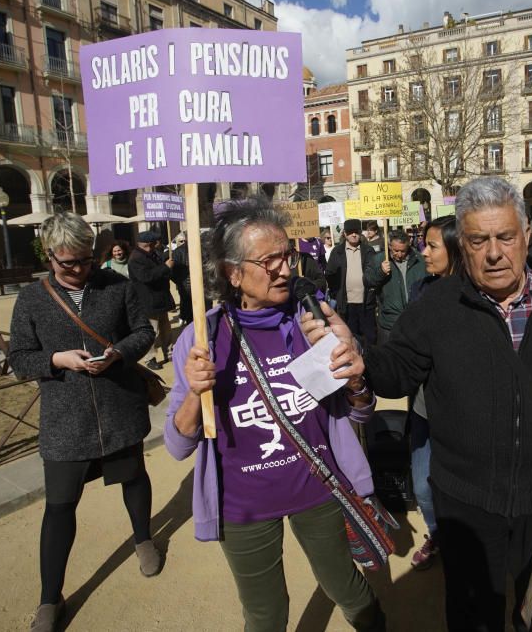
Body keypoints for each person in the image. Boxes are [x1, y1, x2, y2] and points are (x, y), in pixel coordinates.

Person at [317, 178, 532, 631]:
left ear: (526, 235)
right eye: (478, 240)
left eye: (505, 237)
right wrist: (360, 357)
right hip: (467, 506)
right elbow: (397, 368)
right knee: (474, 620)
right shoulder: (436, 307)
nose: (493, 252)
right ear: (463, 244)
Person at [164, 198, 385, 632]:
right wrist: (195, 391)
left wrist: (357, 378)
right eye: (270, 261)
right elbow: (178, 444)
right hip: (243, 505)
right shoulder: (202, 338)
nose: (286, 269)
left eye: (288, 255)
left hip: (317, 487)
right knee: (265, 615)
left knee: (349, 589)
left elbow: (359, 414)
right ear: (233, 272)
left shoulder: (312, 319)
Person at [9, 212, 160, 632]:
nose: (77, 270)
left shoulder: (117, 285)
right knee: (59, 508)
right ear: (49, 255)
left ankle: (143, 538)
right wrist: (57, 359)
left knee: (134, 477)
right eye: (67, 263)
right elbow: (19, 358)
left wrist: (117, 354)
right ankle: (48, 598)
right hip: (65, 420)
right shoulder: (31, 299)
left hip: (119, 407)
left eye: (85, 261)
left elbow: (142, 333)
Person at [405, 215, 463, 571]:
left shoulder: (479, 295)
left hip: (462, 414)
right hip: (424, 410)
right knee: (423, 487)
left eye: (432, 245)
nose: (423, 252)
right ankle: (437, 535)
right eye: (423, 244)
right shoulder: (421, 290)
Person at [364, 230, 427, 344]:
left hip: (414, 320)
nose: (399, 254)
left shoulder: (419, 259)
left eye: (403, 251)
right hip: (390, 322)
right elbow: (368, 281)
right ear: (389, 246)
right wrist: (380, 272)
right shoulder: (379, 259)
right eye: (396, 250)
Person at [325, 218, 378, 347]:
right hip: (346, 304)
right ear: (345, 234)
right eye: (350, 232)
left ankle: (370, 363)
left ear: (360, 232)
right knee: (350, 337)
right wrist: (336, 294)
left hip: (366, 303)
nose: (353, 235)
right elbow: (330, 275)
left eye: (356, 232)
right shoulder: (337, 252)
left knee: (370, 338)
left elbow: (375, 273)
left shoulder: (368, 251)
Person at [129, 230, 175, 369]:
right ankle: (150, 358)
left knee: (166, 329)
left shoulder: (153, 254)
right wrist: (165, 267)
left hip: (160, 299)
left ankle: (169, 352)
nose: (154, 246)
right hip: (148, 300)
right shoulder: (136, 258)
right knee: (152, 332)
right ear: (147, 244)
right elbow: (146, 277)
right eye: (152, 244)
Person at [171, 232, 192, 327]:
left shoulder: (204, 250)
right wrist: (180, 282)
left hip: (203, 287)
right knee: (188, 308)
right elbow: (173, 272)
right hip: (185, 287)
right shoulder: (178, 252)